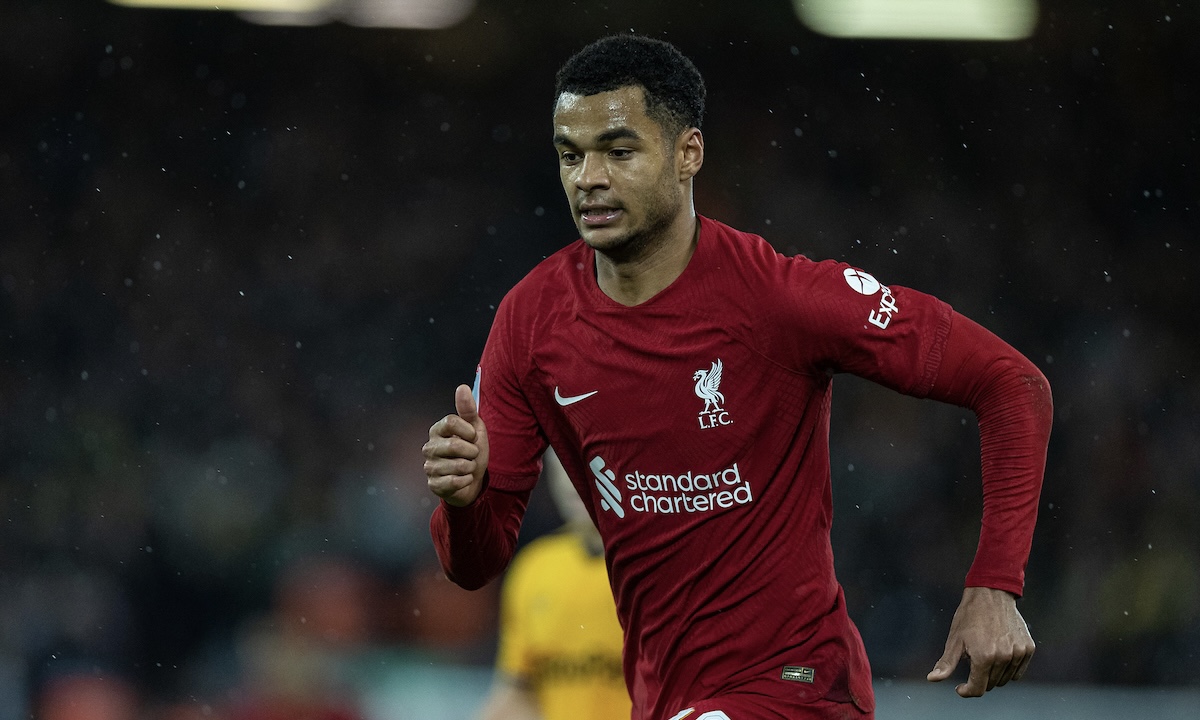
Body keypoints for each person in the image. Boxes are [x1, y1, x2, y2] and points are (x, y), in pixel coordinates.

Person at [422, 34, 1053, 720]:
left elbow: (1012, 384)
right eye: (571, 156)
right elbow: (475, 563)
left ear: (688, 153)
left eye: (618, 151)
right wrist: (463, 499)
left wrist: (994, 583)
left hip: (798, 689)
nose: (588, 178)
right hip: (665, 700)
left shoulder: (781, 300)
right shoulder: (532, 319)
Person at [476, 449, 631, 720]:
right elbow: (518, 691)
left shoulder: (659, 567)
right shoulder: (535, 568)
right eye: (560, 464)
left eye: (582, 462)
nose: (570, 478)